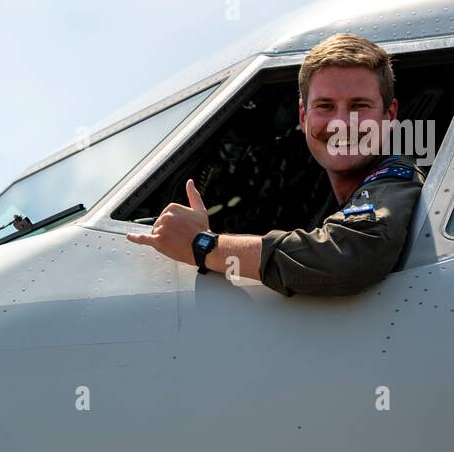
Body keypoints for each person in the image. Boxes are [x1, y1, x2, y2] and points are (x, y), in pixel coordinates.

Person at [127, 32, 425, 296]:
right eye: (325, 106)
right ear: (303, 116)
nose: (341, 124)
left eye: (359, 106)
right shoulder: (338, 202)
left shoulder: (398, 179)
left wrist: (204, 246)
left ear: (389, 115)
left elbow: (349, 254)